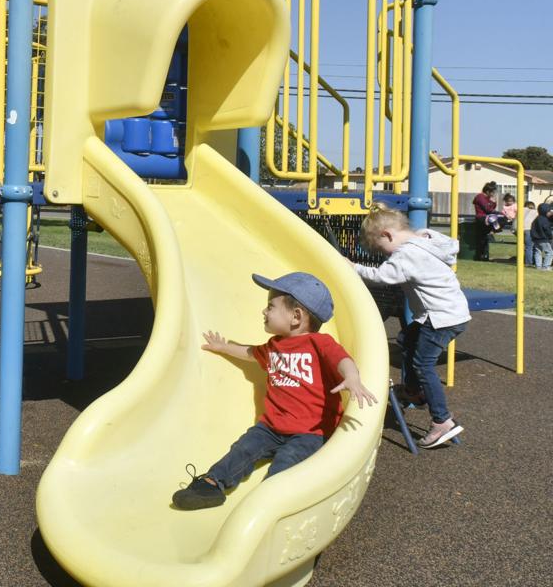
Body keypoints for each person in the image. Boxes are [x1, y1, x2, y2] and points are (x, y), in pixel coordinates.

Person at [172, 272, 376, 510]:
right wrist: (224, 347)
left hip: (310, 433)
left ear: (296, 316)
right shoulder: (274, 346)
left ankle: (268, 505)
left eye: (271, 306)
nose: (264, 312)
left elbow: (343, 360)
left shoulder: (319, 343)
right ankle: (211, 483)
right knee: (243, 448)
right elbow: (249, 353)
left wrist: (352, 377)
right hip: (270, 428)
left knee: (286, 464)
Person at [351, 204, 470, 448]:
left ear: (387, 234)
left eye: (383, 249)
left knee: (423, 364)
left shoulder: (406, 254)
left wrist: (352, 267)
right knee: (407, 339)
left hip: (439, 317)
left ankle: (442, 420)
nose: (386, 254)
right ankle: (415, 391)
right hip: (449, 313)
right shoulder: (424, 240)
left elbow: (383, 276)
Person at [472, 181, 498, 261]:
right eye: (492, 192)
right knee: (481, 239)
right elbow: (488, 209)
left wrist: (493, 203)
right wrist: (493, 202)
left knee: (484, 238)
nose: (493, 194)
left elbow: (491, 208)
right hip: (481, 218)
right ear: (487, 191)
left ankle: (485, 256)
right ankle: (480, 256)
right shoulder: (480, 197)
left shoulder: (487, 199)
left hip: (486, 217)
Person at [532, 202, 553, 271]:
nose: (550, 213)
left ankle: (538, 266)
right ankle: (546, 266)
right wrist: (550, 236)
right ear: (545, 211)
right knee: (549, 252)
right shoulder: (544, 220)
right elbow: (547, 229)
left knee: (538, 252)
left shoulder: (536, 219)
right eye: (549, 211)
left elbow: (532, 228)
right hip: (544, 239)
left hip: (536, 239)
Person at [524, 201, 537, 266]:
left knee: (526, 246)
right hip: (529, 229)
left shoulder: (521, 210)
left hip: (519, 230)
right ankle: (529, 262)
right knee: (530, 247)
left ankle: (525, 260)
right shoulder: (535, 212)